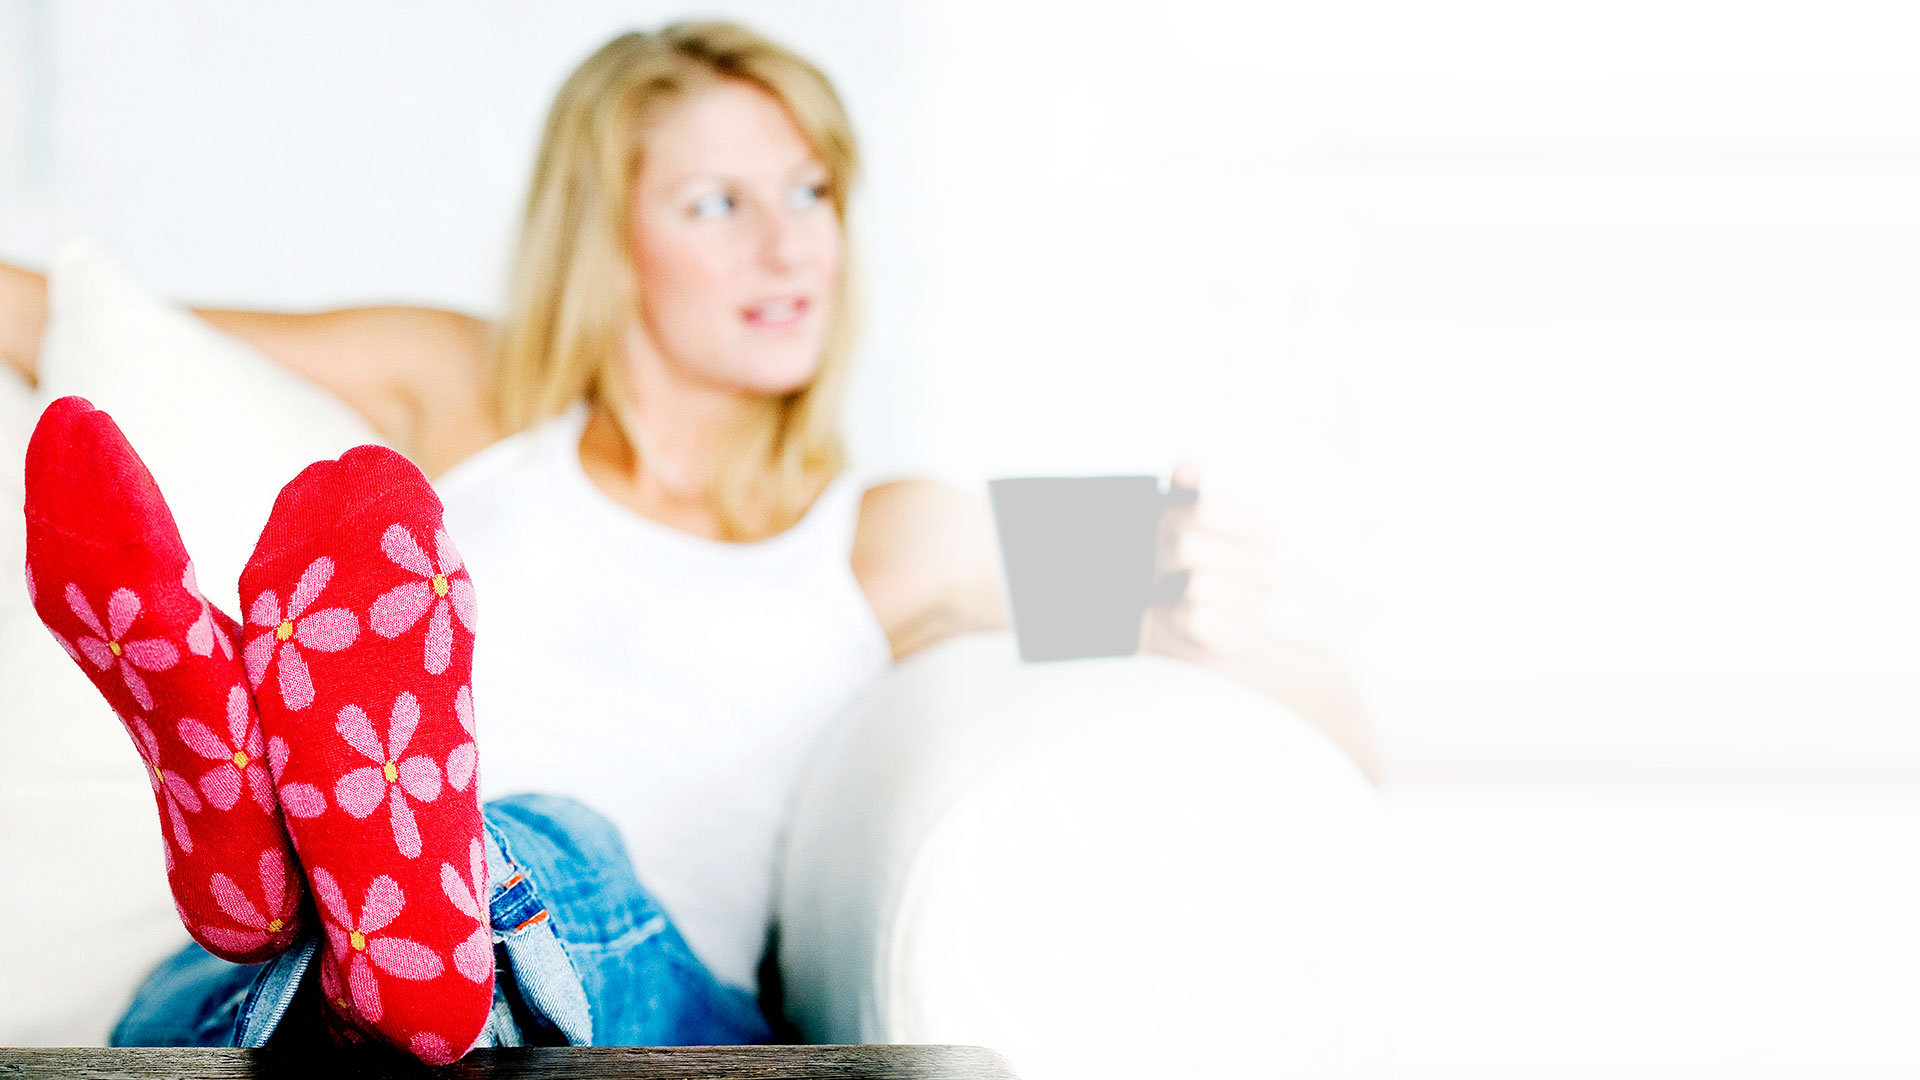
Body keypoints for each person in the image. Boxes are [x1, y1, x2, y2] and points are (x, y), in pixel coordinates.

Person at [0, 20, 1379, 1061]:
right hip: (270, 993)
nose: (788, 247)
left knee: (539, 840)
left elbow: (1343, 727)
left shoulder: (884, 534)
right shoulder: (475, 397)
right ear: (610, 239)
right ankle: (306, 891)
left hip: (627, 983)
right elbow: (88, 322)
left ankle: (300, 845)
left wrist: (1198, 633)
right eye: (719, 203)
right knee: (271, 965)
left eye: (811, 192)